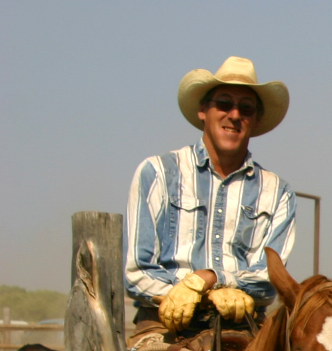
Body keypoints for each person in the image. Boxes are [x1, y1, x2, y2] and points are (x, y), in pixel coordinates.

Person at [125, 56, 297, 335]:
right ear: (203, 110)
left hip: (243, 327)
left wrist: (210, 278)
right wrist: (197, 293)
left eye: (246, 108)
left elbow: (268, 279)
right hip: (162, 325)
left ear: (256, 120)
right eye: (224, 103)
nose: (234, 115)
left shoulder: (278, 192)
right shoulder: (157, 173)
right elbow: (137, 272)